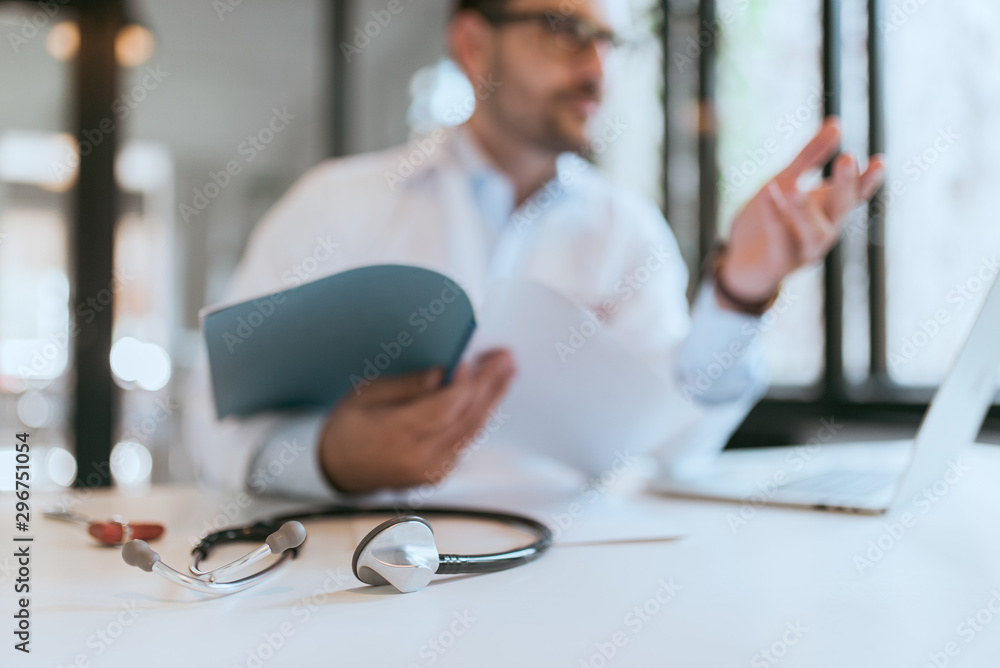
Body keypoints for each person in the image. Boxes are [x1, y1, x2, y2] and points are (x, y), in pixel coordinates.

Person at [184, 0, 885, 498]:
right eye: (563, 29)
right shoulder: (335, 204)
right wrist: (333, 457)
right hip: (360, 580)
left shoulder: (626, 230)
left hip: (575, 594)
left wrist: (741, 289)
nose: (596, 70)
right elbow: (212, 422)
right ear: (473, 45)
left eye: (610, 42)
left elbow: (676, 445)